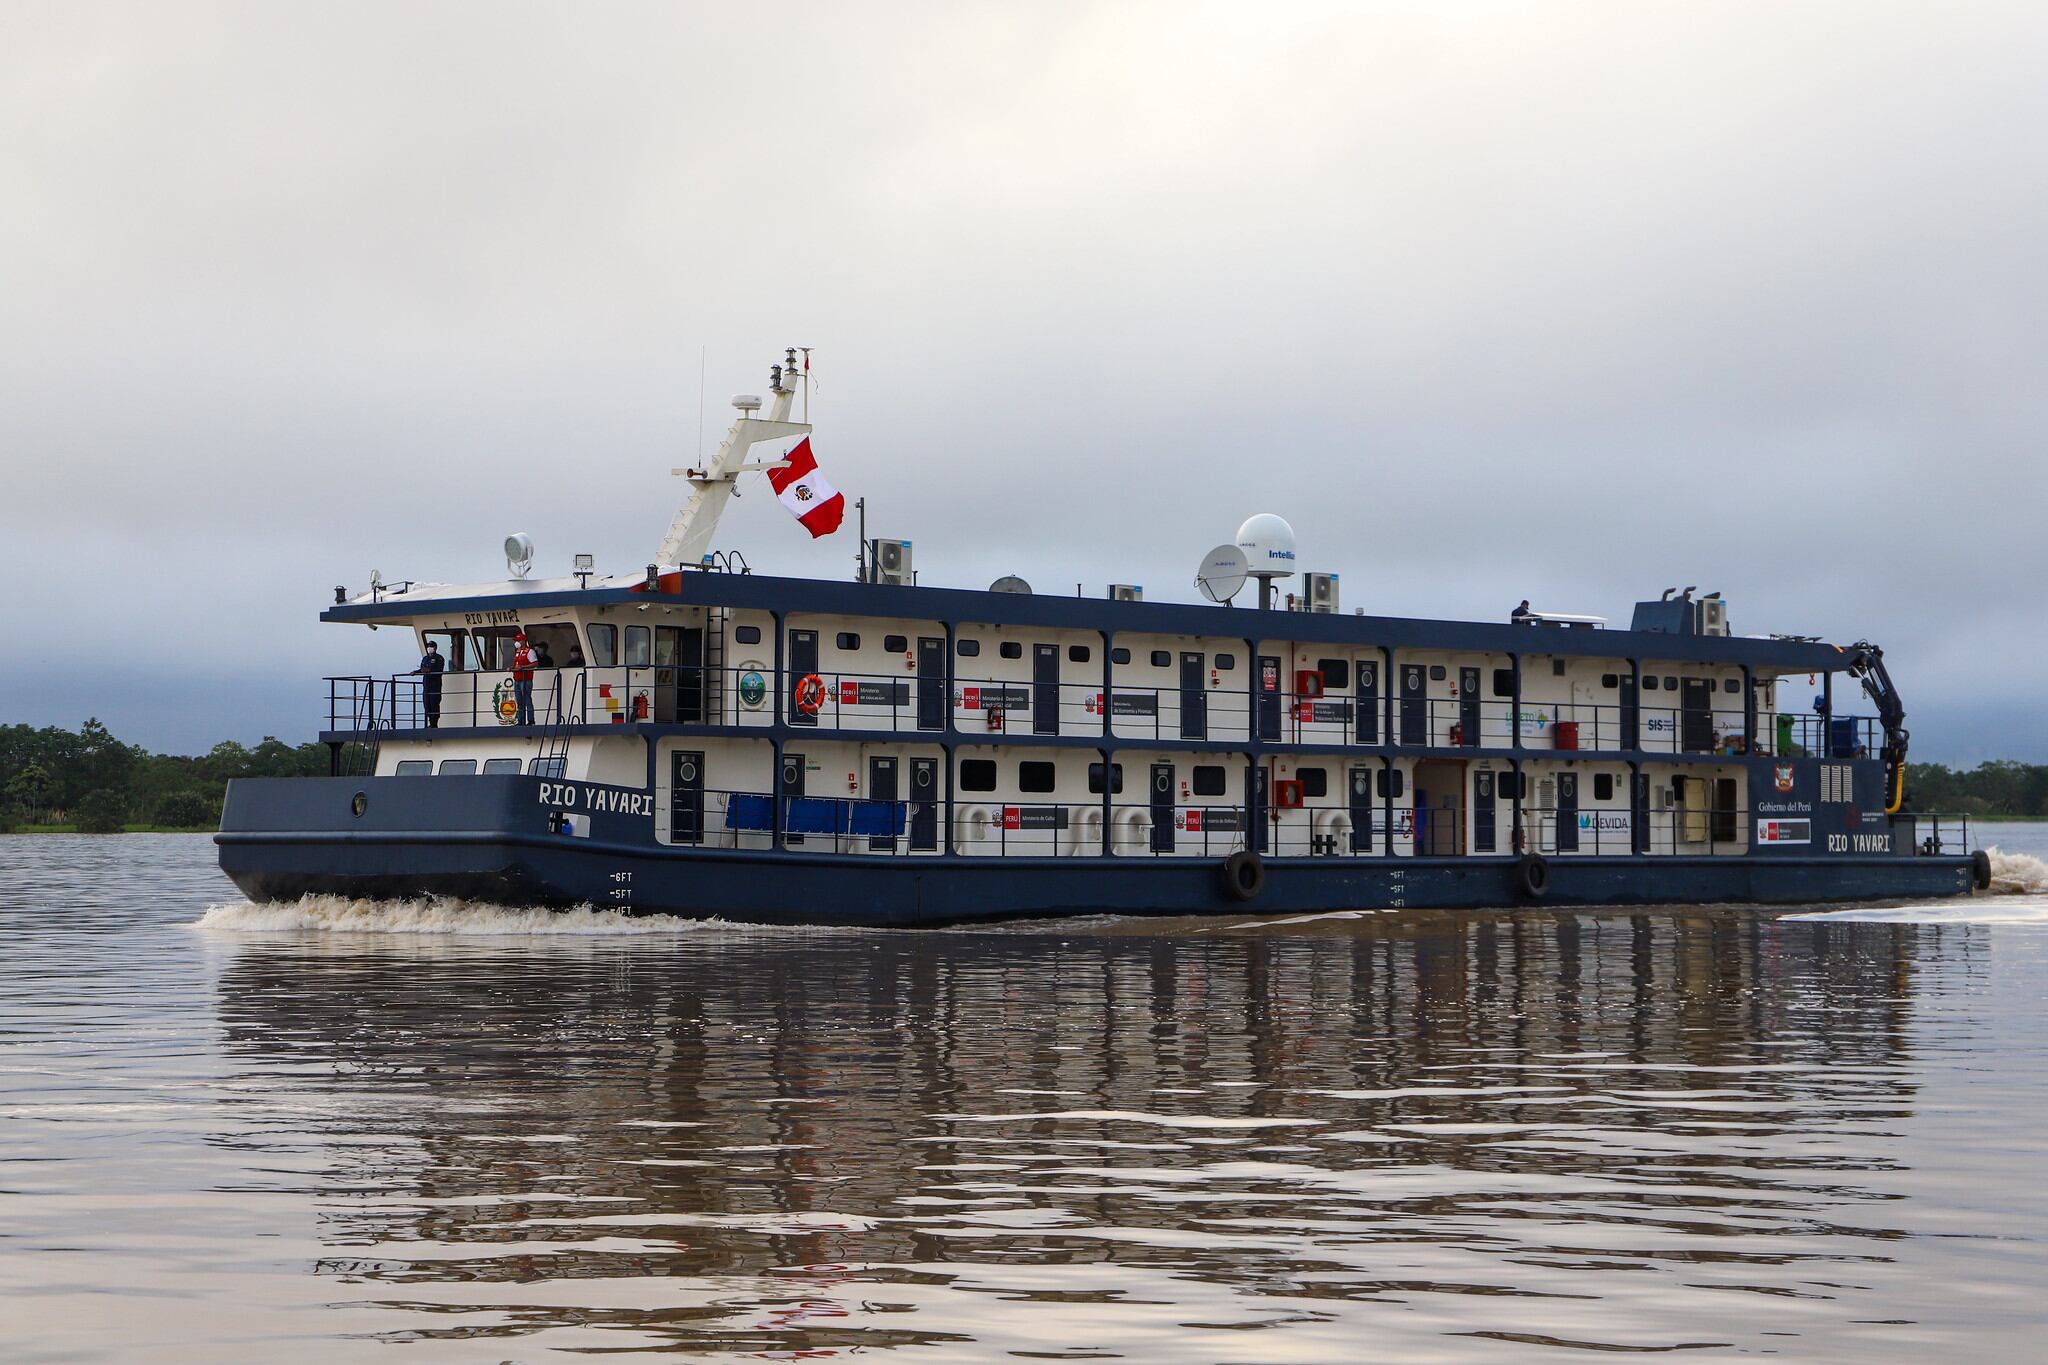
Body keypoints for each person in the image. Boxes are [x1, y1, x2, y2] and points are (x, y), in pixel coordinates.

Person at [412, 639, 445, 728]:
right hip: (426, 684)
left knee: (434, 703)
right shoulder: (425, 658)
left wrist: (429, 670)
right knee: (427, 704)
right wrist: (415, 672)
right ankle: (430, 722)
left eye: (431, 646)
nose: (429, 648)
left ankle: (434, 723)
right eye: (428, 647)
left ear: (435, 648)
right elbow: (422, 669)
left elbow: (439, 670)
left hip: (435, 684)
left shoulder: (439, 658)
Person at [511, 632, 537, 726]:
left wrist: (523, 667)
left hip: (526, 679)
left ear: (523, 641)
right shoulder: (517, 651)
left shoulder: (530, 651)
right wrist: (511, 668)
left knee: (527, 699)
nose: (516, 642)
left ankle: (531, 720)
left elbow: (535, 664)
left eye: (518, 640)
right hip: (517, 679)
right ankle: (521, 721)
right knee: (519, 701)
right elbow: (516, 664)